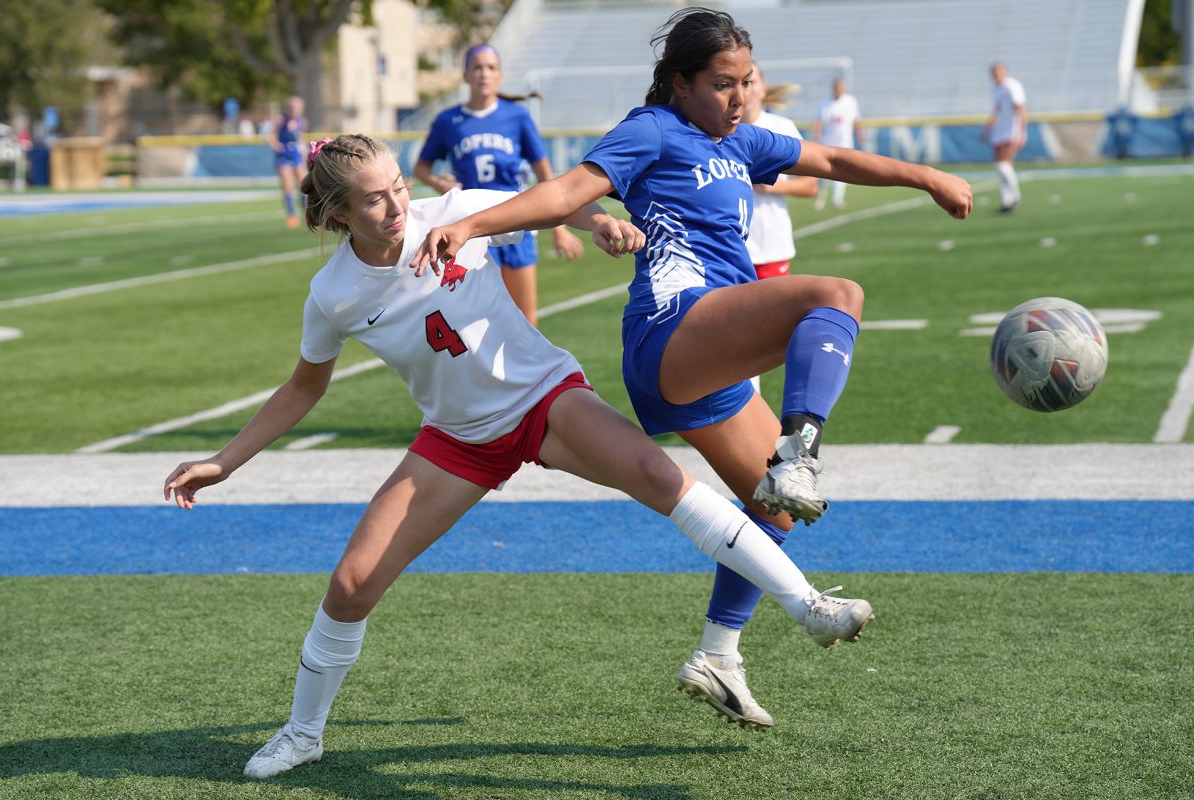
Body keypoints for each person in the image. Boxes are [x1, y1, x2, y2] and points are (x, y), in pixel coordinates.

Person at [163, 133, 882, 779]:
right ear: (337, 213)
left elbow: (552, 201)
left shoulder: (455, 213)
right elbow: (301, 389)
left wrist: (597, 220)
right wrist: (224, 463)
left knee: (663, 479)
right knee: (351, 585)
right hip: (456, 438)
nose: (394, 205)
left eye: (398, 188)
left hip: (546, 399)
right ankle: (302, 734)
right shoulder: (333, 296)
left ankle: (809, 605)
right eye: (373, 199)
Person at [413, 7, 972, 729]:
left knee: (771, 511)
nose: (737, 99)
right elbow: (565, 193)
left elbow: (829, 161)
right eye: (720, 84)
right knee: (837, 297)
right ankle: (798, 453)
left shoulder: (737, 142)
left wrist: (924, 175)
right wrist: (468, 224)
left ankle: (719, 656)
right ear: (679, 82)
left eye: (744, 83)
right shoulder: (651, 130)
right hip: (669, 330)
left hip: (711, 357)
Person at [415, 44, 584, 326]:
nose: (484, 73)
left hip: (518, 221)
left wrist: (559, 228)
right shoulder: (448, 121)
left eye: (491, 67)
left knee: (525, 319)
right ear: (465, 75)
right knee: (475, 321)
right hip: (472, 228)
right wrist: (437, 183)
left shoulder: (517, 117)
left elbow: (545, 173)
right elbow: (422, 168)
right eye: (477, 67)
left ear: (500, 76)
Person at [743, 63, 817, 281]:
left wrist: (773, 185)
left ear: (764, 88)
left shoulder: (780, 128)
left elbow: (811, 185)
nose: (746, 88)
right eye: (740, 82)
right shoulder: (716, 129)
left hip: (770, 247)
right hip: (729, 249)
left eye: (751, 82)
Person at [981, 62, 1026, 213]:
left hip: (1011, 132)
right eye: (993, 73)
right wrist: (988, 129)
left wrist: (1022, 132)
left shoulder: (1012, 86)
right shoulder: (995, 88)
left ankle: (1015, 197)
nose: (996, 75)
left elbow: (1020, 109)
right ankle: (1006, 200)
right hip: (999, 133)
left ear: (1005, 72)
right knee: (1001, 168)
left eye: (998, 72)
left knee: (1003, 166)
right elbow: (997, 110)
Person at [811, 77, 862, 210]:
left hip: (845, 144)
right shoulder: (825, 104)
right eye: (837, 87)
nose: (839, 90)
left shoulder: (850, 102)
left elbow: (856, 120)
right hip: (827, 144)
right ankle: (820, 198)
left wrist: (860, 133)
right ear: (833, 88)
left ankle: (837, 199)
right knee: (823, 172)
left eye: (841, 87)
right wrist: (816, 136)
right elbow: (818, 122)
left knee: (843, 173)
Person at [267, 95, 309, 229]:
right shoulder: (281, 120)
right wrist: (276, 145)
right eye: (292, 107)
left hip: (296, 154)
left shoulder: (302, 122)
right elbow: (270, 135)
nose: (294, 110)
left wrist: (303, 149)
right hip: (283, 155)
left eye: (297, 107)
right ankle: (292, 215)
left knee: (303, 185)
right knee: (288, 185)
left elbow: (300, 137)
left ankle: (307, 213)